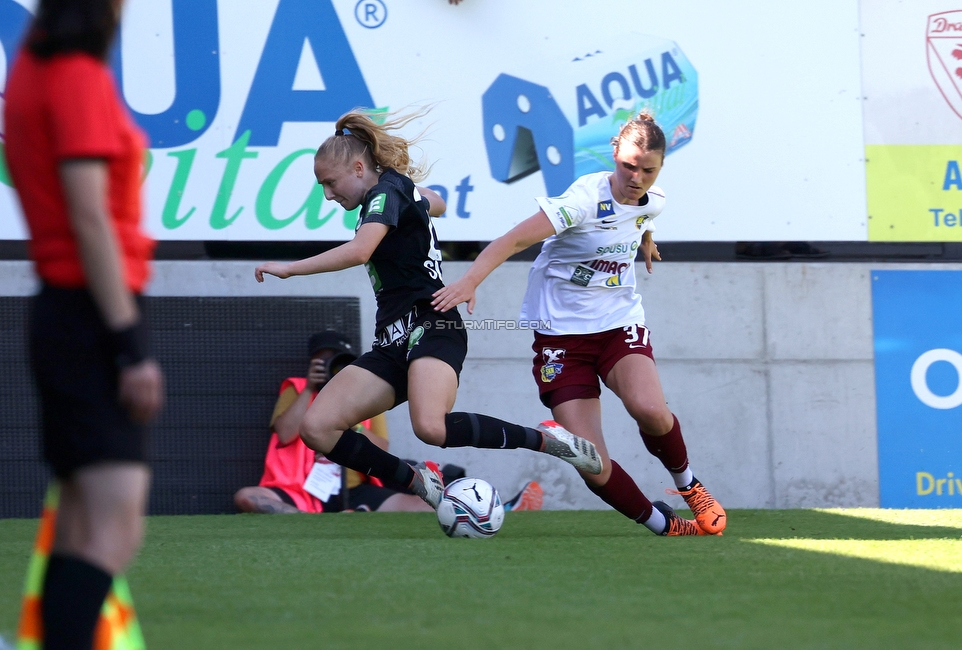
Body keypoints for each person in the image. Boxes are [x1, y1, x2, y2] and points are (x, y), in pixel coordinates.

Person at [254, 108, 601, 511]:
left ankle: (547, 439)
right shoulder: (395, 191)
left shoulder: (383, 193)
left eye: (330, 183)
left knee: (431, 426)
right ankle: (416, 480)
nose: (329, 195)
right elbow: (438, 202)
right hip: (392, 341)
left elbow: (360, 250)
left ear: (359, 167)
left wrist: (290, 268)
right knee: (317, 427)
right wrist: (419, 200)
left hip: (432, 325)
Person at [430, 109, 727, 537]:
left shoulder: (654, 199)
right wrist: (471, 280)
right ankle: (665, 525)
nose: (636, 178)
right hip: (560, 340)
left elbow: (643, 215)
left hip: (617, 324)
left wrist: (645, 240)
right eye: (628, 166)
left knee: (650, 410)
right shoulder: (582, 202)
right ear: (614, 156)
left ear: (659, 168)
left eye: (648, 169)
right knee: (589, 458)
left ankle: (690, 486)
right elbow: (513, 239)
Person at [4, 0, 164, 646]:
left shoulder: (31, 72)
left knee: (77, 526)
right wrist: (128, 347)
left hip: (66, 311)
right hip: (91, 316)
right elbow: (89, 218)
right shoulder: (76, 76)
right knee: (114, 528)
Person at [234, 331, 546, 514]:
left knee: (422, 505)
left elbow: (382, 447)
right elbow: (285, 433)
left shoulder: (363, 392)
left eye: (339, 362)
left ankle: (495, 511)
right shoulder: (296, 387)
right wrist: (311, 389)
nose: (332, 369)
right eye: (324, 361)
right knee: (247, 496)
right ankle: (307, 520)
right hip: (300, 491)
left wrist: (342, 431)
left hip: (356, 490)